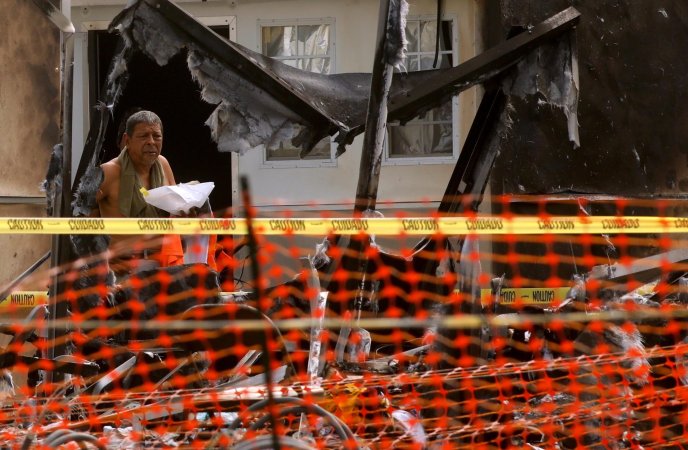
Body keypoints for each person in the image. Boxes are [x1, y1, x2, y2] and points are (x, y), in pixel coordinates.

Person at [95, 110, 184, 275]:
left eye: (156, 136)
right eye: (144, 136)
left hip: (162, 268)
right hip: (121, 273)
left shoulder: (163, 164)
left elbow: (175, 210)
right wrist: (101, 255)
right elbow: (77, 215)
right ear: (127, 140)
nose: (151, 142)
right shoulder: (109, 172)